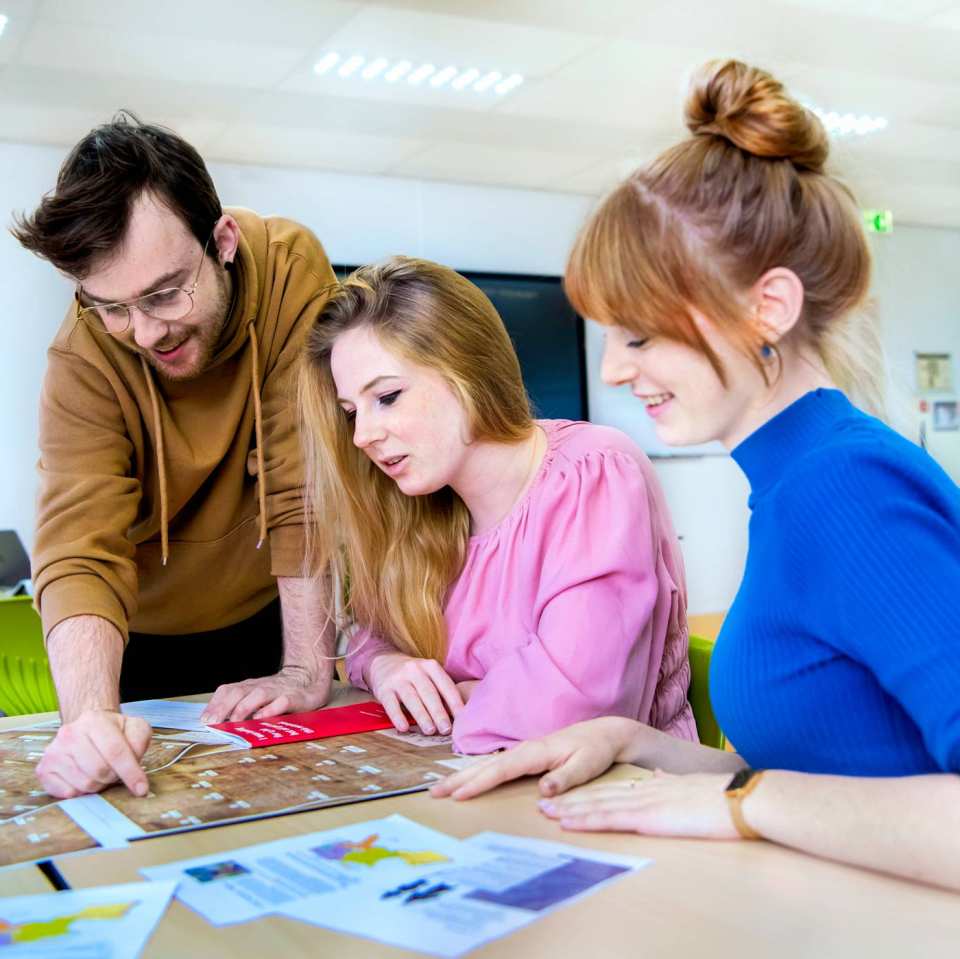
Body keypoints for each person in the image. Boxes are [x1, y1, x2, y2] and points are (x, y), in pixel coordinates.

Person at [431, 60, 960, 892]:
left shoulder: (848, 486)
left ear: (768, 309)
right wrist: (635, 742)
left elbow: (785, 795)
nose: (612, 372)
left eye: (640, 336)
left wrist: (748, 802)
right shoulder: (791, 482)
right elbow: (835, 767)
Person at [13, 115, 338, 799]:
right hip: (141, 635)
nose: (145, 331)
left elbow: (301, 481)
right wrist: (90, 717)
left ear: (221, 241)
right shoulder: (82, 357)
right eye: (111, 306)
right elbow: (77, 548)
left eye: (165, 293)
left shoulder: (288, 269)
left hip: (272, 613)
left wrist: (308, 670)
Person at [298, 256, 696, 754]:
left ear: (467, 369)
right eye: (351, 412)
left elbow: (578, 711)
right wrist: (388, 666)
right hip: (476, 783)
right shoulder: (421, 504)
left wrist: (454, 700)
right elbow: (368, 638)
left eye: (389, 397)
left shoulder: (595, 471)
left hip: (613, 801)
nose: (362, 436)